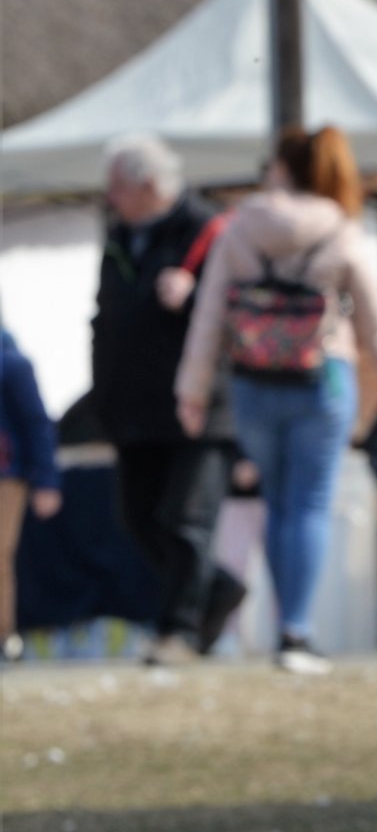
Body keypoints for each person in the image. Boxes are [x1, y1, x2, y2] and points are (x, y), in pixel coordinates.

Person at [177, 126, 377, 674]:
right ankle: (295, 632)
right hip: (322, 381)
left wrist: (192, 390)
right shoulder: (340, 229)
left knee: (276, 504)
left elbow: (209, 314)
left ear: (281, 169)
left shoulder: (241, 226)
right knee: (308, 506)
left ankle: (278, 629)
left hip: (251, 382)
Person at [95, 133, 247, 666]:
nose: (109, 195)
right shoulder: (118, 235)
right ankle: (219, 591)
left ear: (150, 185)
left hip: (200, 405)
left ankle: (176, 633)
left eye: (118, 185)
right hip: (134, 406)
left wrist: (194, 295)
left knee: (187, 520)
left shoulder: (209, 231)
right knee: (140, 519)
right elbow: (107, 318)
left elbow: (240, 316)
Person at [0, 326, 62, 662]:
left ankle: (4, 637)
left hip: (6, 476)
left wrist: (46, 481)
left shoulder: (12, 363)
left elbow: (37, 423)